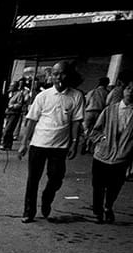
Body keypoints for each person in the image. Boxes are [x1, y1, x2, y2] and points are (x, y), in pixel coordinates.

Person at [18, 61, 85, 223]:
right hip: (38, 144)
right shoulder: (43, 96)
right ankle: (29, 211)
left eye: (61, 73)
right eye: (54, 74)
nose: (57, 77)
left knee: (56, 178)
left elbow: (76, 122)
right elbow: (31, 121)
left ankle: (47, 197)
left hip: (60, 146)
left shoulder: (76, 96)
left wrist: (74, 143)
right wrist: (24, 143)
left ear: (68, 75)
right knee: (33, 180)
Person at [87, 81, 133, 224]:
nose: (130, 92)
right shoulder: (109, 110)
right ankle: (98, 211)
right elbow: (95, 131)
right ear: (123, 90)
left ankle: (108, 206)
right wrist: (102, 139)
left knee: (115, 185)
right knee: (98, 185)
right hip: (102, 154)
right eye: (128, 88)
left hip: (122, 156)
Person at [83, 77, 110, 154]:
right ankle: (91, 147)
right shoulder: (107, 93)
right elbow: (107, 104)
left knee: (86, 129)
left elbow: (86, 102)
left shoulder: (92, 91)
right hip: (100, 113)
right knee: (95, 131)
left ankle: (84, 144)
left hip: (89, 112)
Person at [1, 80, 30, 151]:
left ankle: (5, 144)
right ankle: (7, 145)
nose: (10, 87)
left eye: (12, 86)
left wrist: (12, 106)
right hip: (8, 113)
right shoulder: (9, 93)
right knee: (7, 129)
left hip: (14, 113)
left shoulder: (19, 94)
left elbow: (20, 104)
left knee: (8, 129)